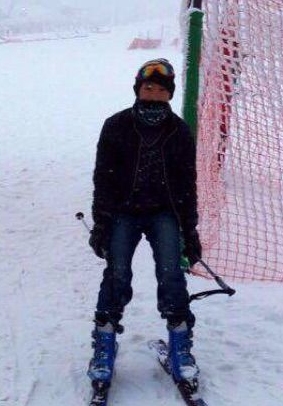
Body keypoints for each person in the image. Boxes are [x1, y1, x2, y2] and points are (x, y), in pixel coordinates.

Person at [87, 58, 202, 388]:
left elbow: (187, 184)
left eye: (161, 90)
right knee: (117, 273)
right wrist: (102, 223)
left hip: (163, 213)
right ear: (138, 89)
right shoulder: (116, 126)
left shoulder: (179, 132)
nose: (154, 95)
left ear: (170, 94)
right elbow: (103, 179)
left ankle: (180, 346)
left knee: (171, 274)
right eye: (148, 88)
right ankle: (104, 343)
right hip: (123, 212)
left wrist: (189, 230)